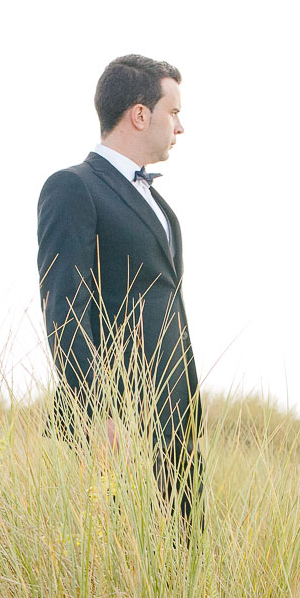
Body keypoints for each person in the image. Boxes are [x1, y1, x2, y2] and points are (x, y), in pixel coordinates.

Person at [36, 53, 203, 530]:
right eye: (173, 112)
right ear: (139, 114)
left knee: (178, 561)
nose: (180, 126)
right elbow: (64, 306)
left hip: (174, 418)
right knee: (117, 560)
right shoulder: (73, 188)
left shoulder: (159, 205)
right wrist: (97, 414)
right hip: (117, 423)